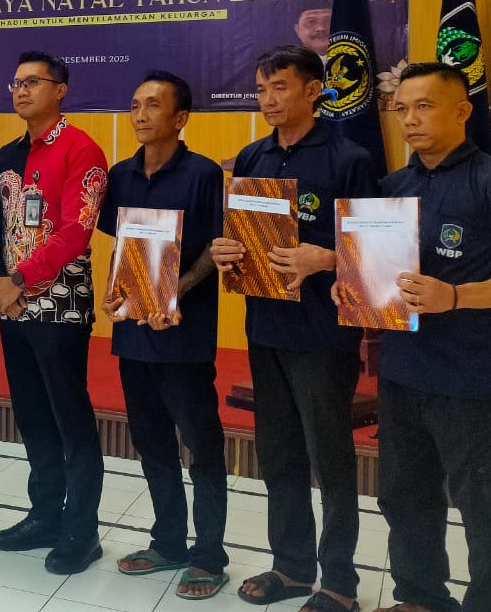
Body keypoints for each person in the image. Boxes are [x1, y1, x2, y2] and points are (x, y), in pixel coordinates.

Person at [211, 45, 377, 612]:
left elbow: (377, 247)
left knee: (330, 460)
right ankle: (292, 567)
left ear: (312, 91)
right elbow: (242, 233)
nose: (268, 100)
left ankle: (340, 583)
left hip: (323, 333)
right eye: (261, 90)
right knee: (279, 454)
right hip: (266, 326)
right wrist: (226, 249)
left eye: (279, 87)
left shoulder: (349, 158)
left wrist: (325, 258)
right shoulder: (252, 155)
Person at [360, 62, 491, 612]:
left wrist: (456, 296)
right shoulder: (392, 189)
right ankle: (419, 598)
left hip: (472, 378)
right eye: (401, 109)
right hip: (403, 372)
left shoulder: (490, 182)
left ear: (462, 111)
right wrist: (354, 286)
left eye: (424, 106)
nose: (410, 120)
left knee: (485, 507)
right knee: (405, 498)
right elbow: (377, 274)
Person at [98, 71, 229, 600]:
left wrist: (175, 292)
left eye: (153, 105)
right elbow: (122, 245)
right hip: (134, 335)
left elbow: (217, 249)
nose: (140, 114)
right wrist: (113, 290)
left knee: (202, 446)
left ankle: (209, 557)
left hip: (184, 334)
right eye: (135, 105)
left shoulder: (203, 174)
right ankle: (168, 542)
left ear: (180, 118)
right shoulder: (121, 174)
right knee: (151, 442)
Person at [0, 50, 109, 575]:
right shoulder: (6, 154)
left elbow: (77, 231)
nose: (21, 90)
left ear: (60, 90)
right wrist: (2, 283)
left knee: (70, 419)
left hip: (60, 304)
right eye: (16, 82)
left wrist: (19, 279)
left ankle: (82, 530)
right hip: (12, 304)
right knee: (32, 416)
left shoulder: (82, 150)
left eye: (33, 82)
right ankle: (44, 515)